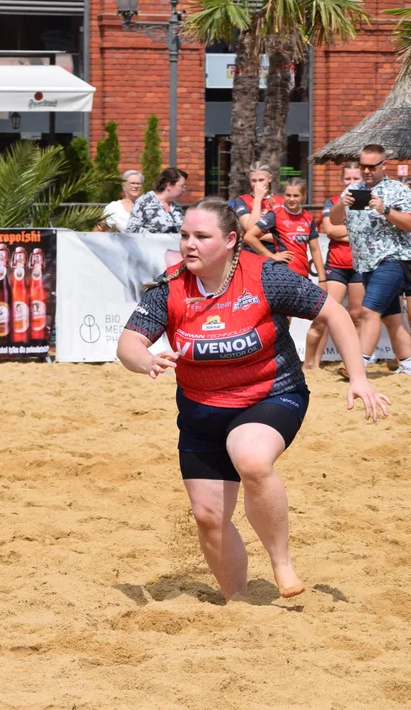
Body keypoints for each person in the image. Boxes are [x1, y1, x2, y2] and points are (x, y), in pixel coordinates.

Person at [117, 197, 389, 600]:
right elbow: (128, 342)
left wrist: (360, 379)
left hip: (272, 394)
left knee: (250, 457)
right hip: (201, 410)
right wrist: (144, 360)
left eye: (201, 236)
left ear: (230, 240)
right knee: (208, 517)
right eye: (185, 235)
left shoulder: (266, 276)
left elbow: (334, 313)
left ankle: (282, 564)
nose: (190, 244)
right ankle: (238, 600)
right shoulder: (171, 285)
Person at [327, 144, 411, 375]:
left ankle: (358, 365)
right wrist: (341, 204)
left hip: (392, 259)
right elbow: (334, 222)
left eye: (371, 166)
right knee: (391, 318)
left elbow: (409, 223)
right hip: (365, 265)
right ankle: (409, 364)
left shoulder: (398, 190)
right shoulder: (353, 189)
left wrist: (385, 210)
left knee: (368, 312)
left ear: (384, 165)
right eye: (363, 165)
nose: (366, 170)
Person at [305, 163, 364, 369]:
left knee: (357, 316)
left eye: (356, 179)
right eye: (348, 179)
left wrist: (347, 231)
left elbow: (371, 233)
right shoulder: (332, 202)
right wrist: (358, 233)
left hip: (360, 266)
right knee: (325, 314)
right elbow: (330, 230)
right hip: (336, 266)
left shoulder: (368, 202)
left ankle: (353, 364)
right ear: (342, 180)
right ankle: (313, 364)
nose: (351, 183)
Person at [246, 178, 325, 281]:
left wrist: (322, 279)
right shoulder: (275, 214)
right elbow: (249, 236)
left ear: (303, 196)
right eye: (288, 195)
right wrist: (271, 255)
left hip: (303, 275)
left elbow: (315, 249)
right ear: (283, 195)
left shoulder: (308, 217)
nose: (291, 199)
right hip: (282, 276)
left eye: (296, 195)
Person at [234, 161, 284, 247]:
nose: (257, 184)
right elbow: (251, 229)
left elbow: (285, 234)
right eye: (254, 180)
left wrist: (255, 237)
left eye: (261, 180)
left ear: (269, 179)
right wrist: (257, 199)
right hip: (250, 249)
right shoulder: (242, 200)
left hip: (276, 248)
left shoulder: (281, 201)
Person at [124, 167, 188, 234]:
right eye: (182, 186)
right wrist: (155, 238)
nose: (184, 190)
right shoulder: (144, 202)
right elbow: (132, 229)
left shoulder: (175, 206)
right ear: (169, 185)